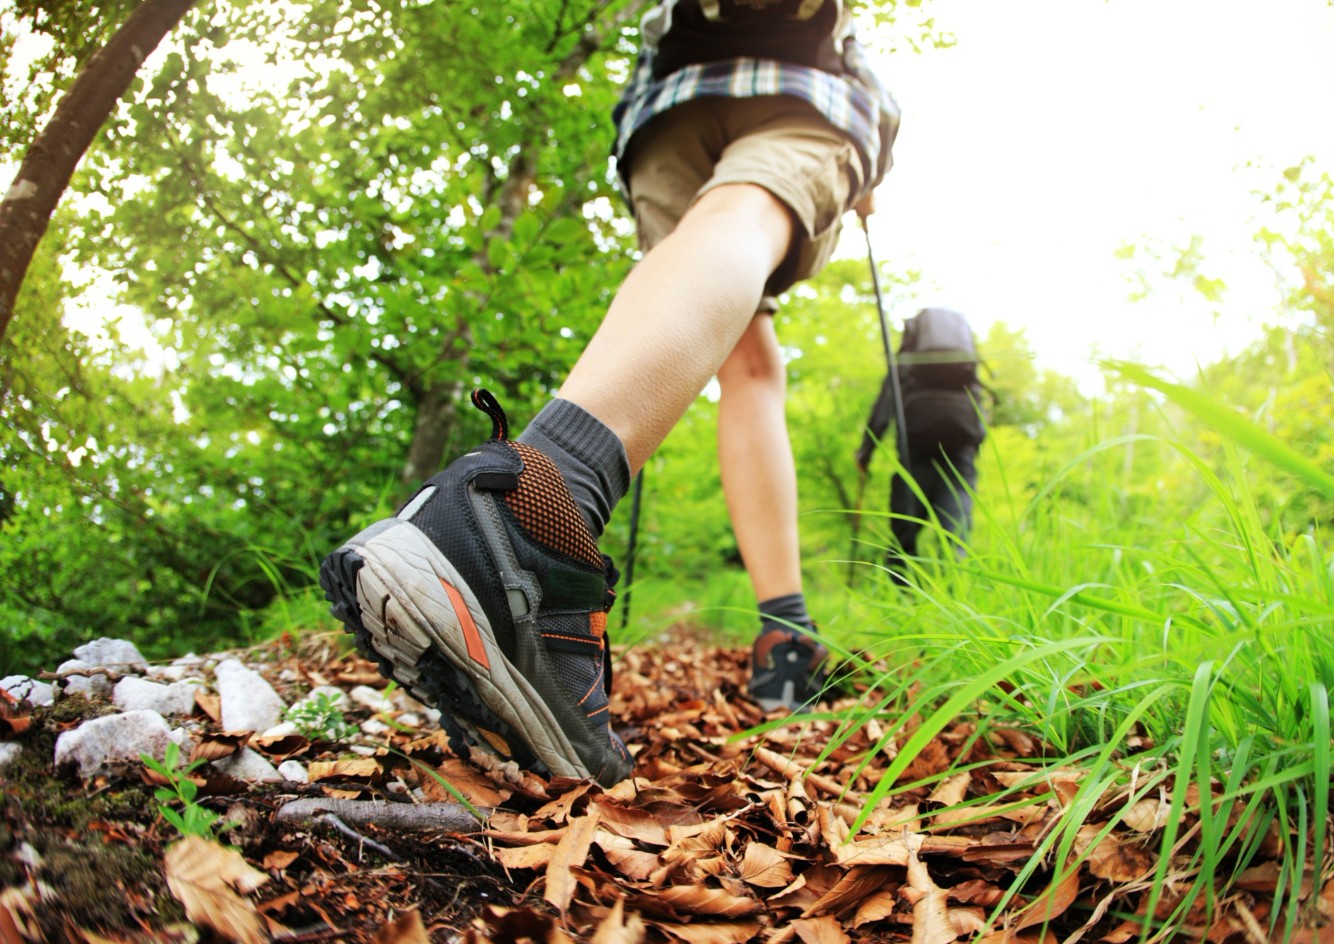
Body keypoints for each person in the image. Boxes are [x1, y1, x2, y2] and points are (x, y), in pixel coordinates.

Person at [321, 1, 899, 786]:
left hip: (666, 116)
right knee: (745, 213)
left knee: (750, 358)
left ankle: (784, 645)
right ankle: (527, 510)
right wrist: (874, 156)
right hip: (804, 84)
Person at [855, 307, 986, 573]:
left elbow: (883, 409)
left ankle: (902, 600)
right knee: (955, 537)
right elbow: (979, 415)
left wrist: (865, 453)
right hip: (960, 460)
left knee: (903, 539)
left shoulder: (905, 368)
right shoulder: (964, 370)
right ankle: (956, 605)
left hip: (915, 456)